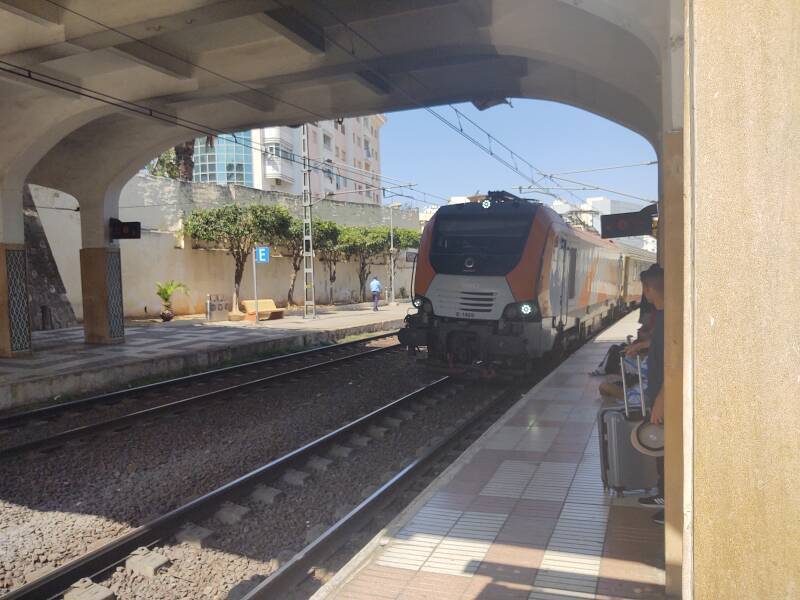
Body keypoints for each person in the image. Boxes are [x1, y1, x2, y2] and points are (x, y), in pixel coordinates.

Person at [635, 264, 665, 525]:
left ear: (647, 289)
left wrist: (660, 400)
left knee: (665, 450)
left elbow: (675, 363)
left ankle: (667, 499)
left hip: (662, 398)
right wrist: (643, 344)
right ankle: (662, 493)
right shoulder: (665, 314)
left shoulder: (667, 317)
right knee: (662, 450)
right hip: (659, 394)